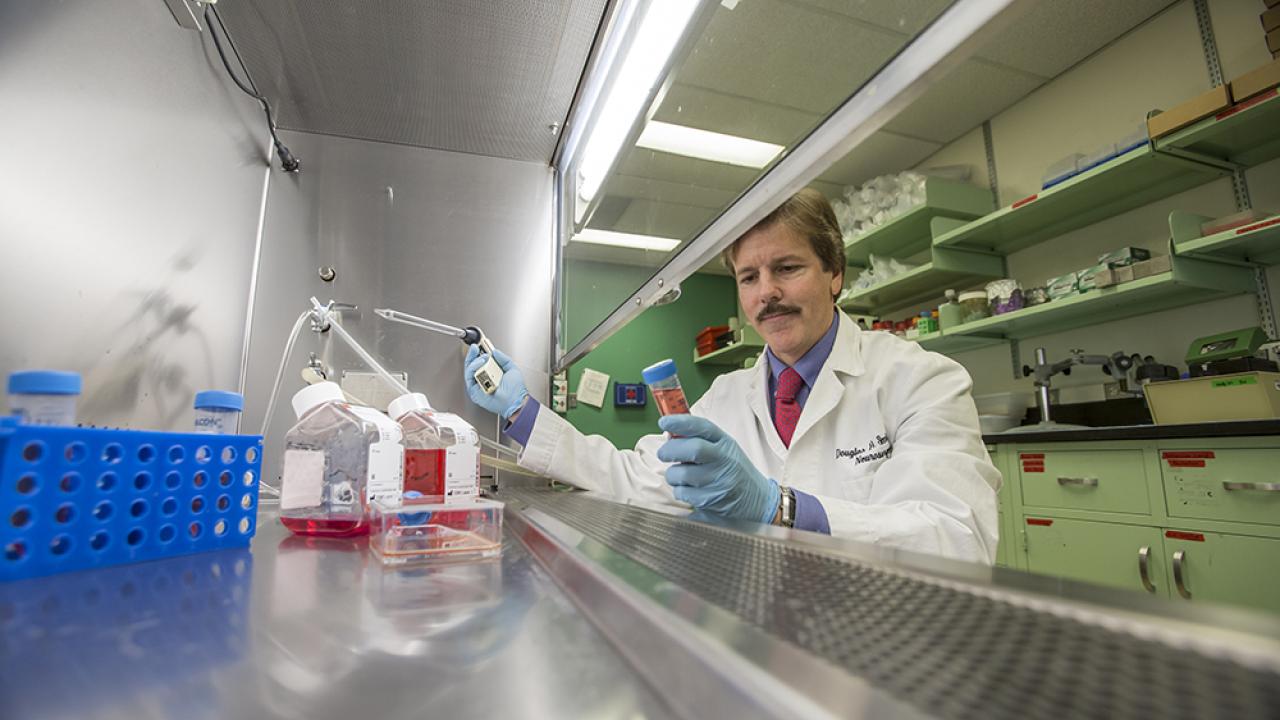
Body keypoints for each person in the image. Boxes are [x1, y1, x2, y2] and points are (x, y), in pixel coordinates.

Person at [464, 189, 1000, 564]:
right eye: (749, 277)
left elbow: (958, 540)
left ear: (835, 272)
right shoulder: (727, 396)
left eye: (787, 268)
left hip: (882, 644)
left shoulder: (922, 380)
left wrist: (781, 508)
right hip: (763, 634)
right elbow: (637, 477)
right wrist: (519, 411)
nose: (766, 292)